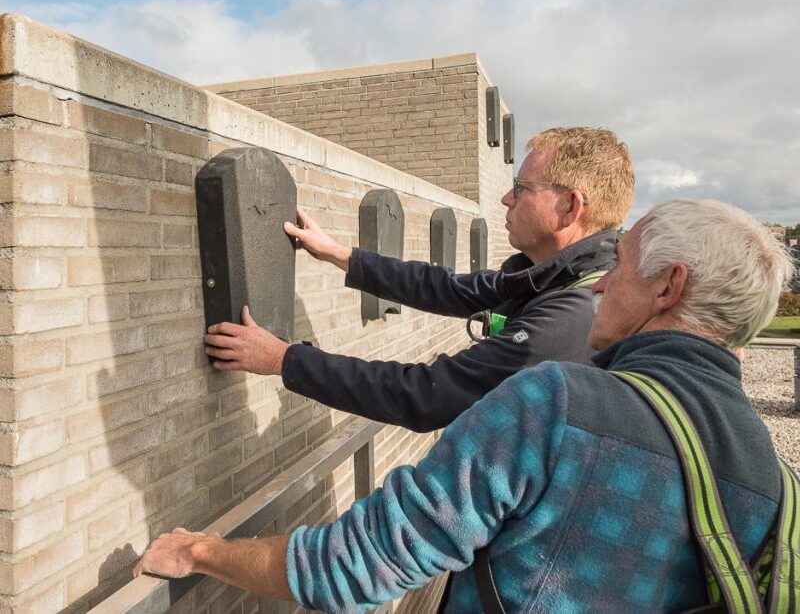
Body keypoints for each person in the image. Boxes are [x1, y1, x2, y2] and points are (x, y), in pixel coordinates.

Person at [135, 198, 795, 612]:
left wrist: (200, 553)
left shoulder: (557, 403)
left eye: (619, 268)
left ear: (668, 287)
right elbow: (458, 286)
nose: (602, 288)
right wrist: (343, 255)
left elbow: (352, 567)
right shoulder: (778, 481)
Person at [204, 127, 635, 431]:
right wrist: (341, 255)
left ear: (570, 207)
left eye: (521, 188)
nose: (506, 198)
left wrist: (284, 360)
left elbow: (428, 394)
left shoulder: (571, 315)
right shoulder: (553, 277)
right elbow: (446, 287)